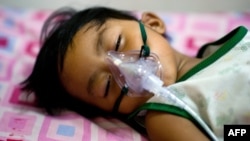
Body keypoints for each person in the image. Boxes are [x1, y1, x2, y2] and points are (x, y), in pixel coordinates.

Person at [21, 6, 250, 141]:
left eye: (118, 43)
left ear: (153, 23)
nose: (126, 68)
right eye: (107, 85)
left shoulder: (237, 42)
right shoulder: (167, 115)